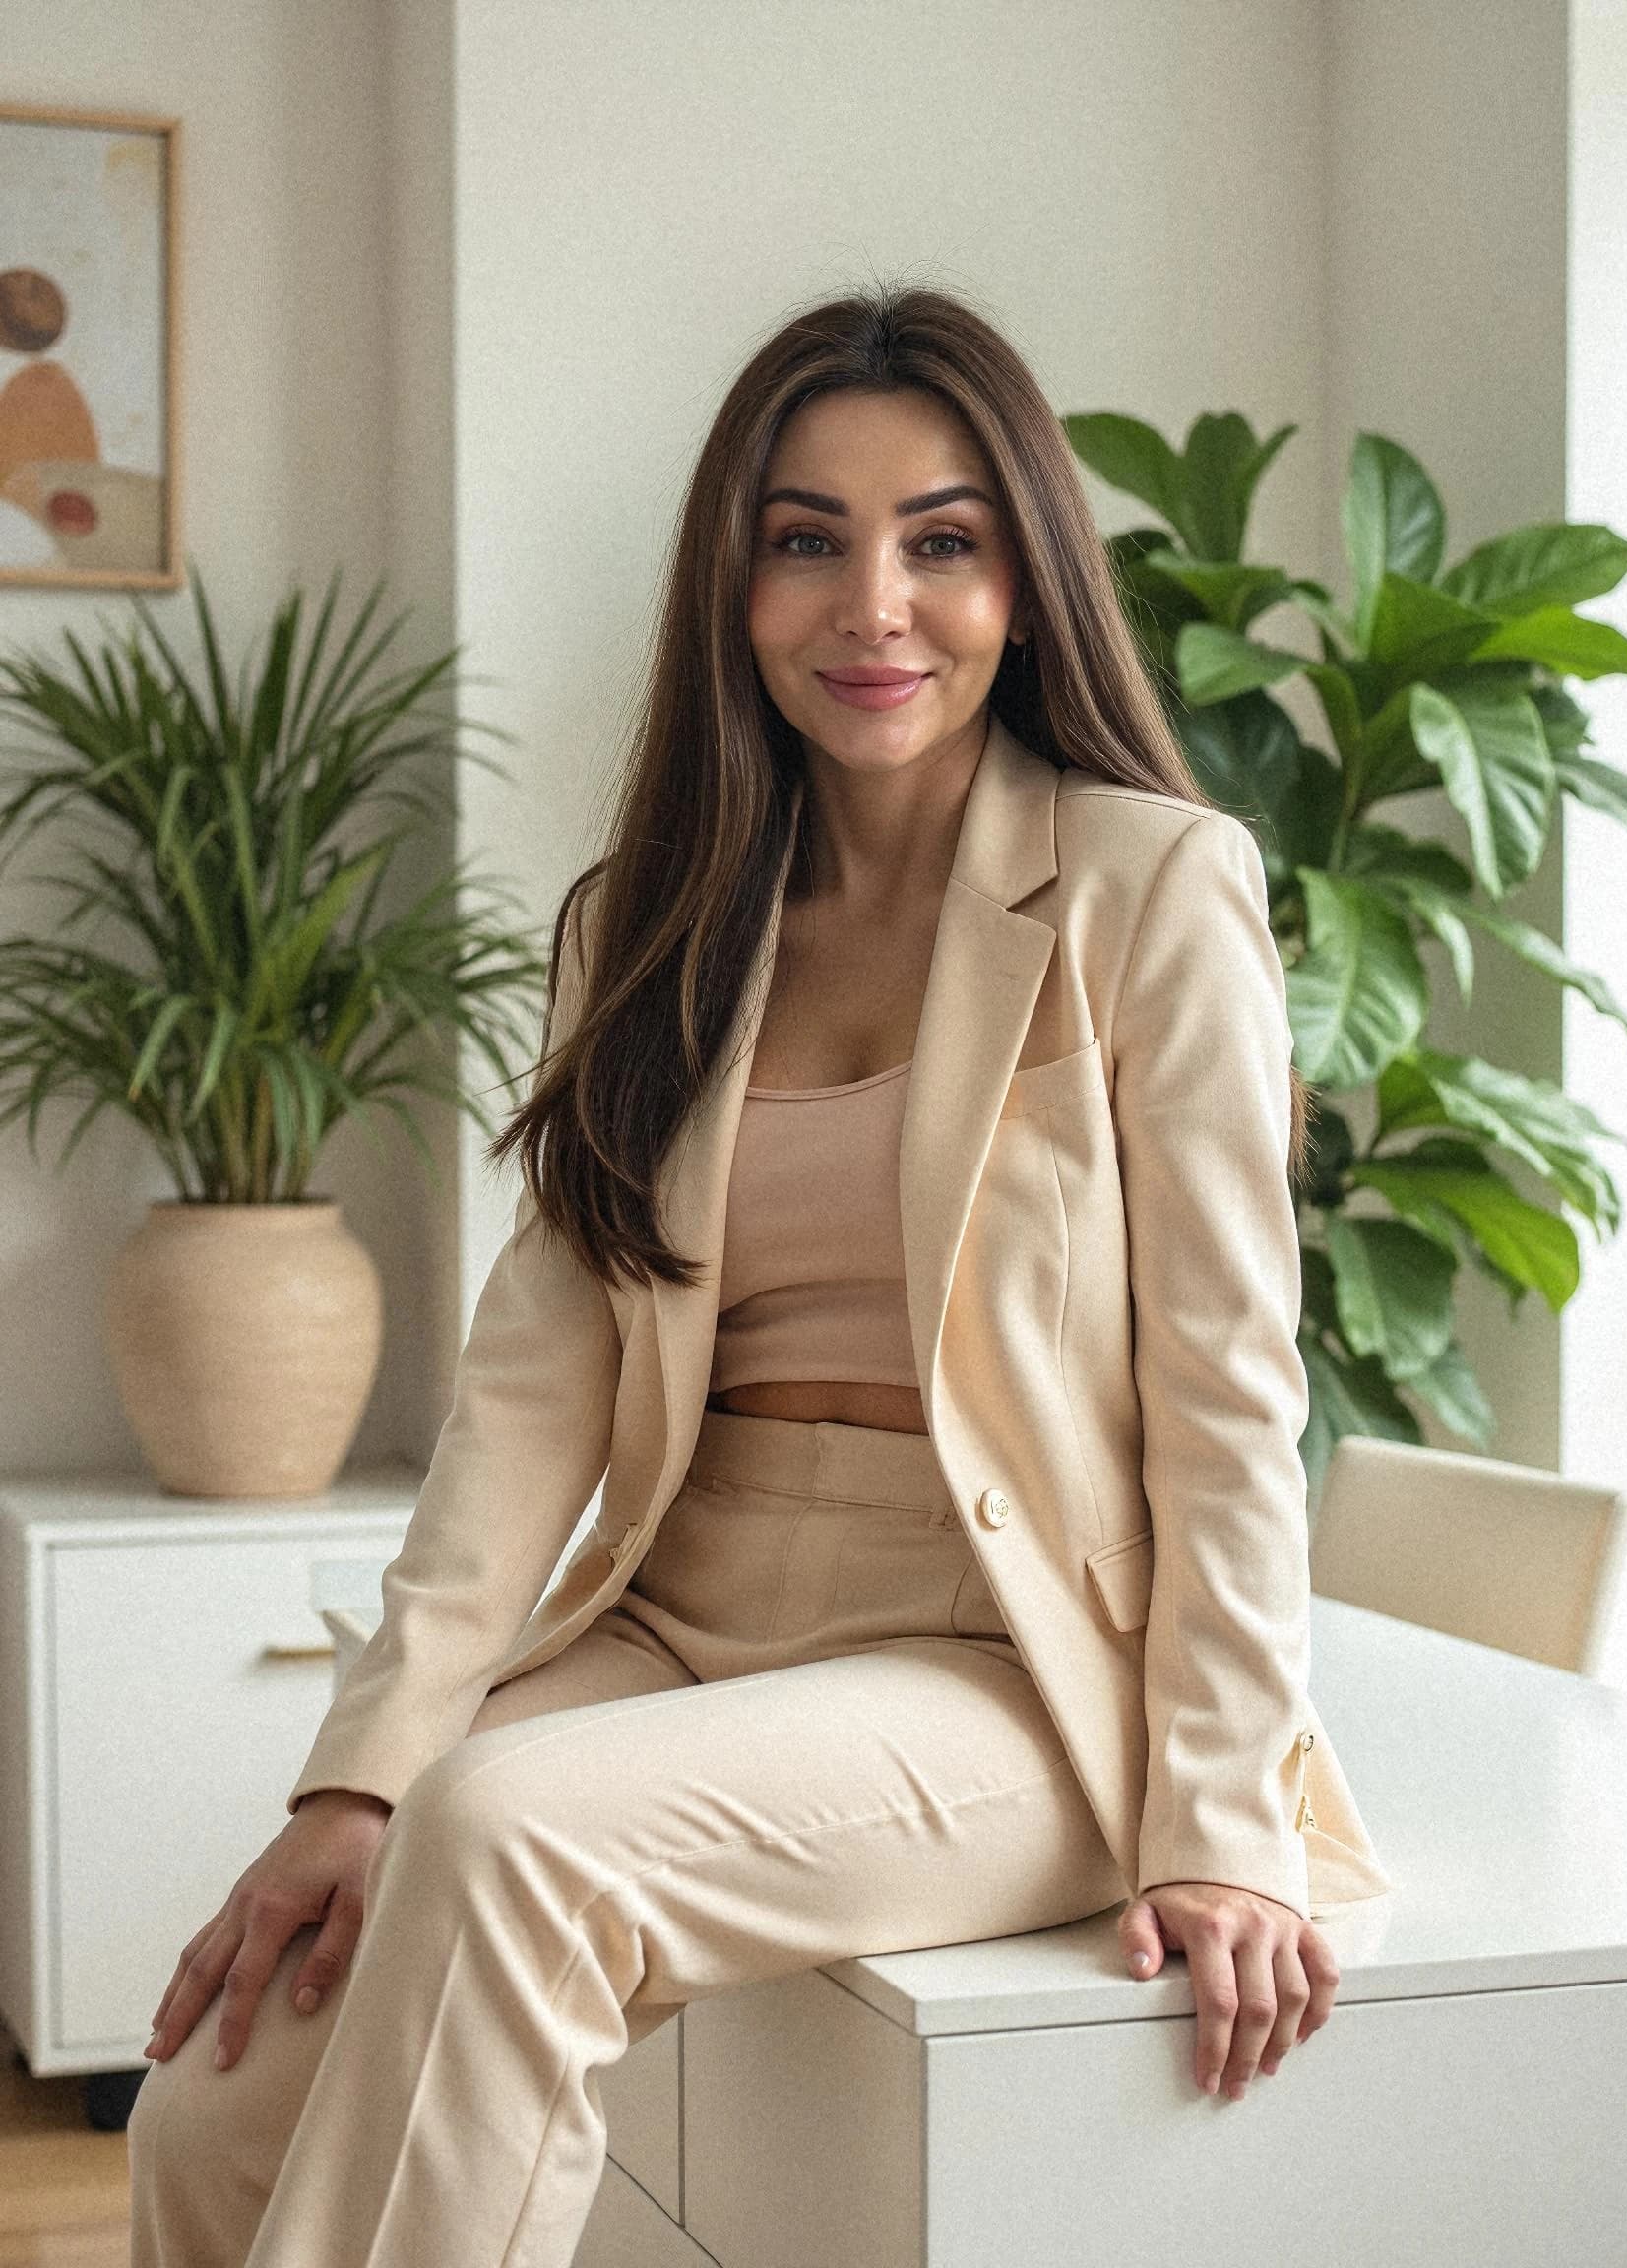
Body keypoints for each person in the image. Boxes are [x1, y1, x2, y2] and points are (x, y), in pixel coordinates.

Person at [128, 282, 1395, 2267]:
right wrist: (362, 1773)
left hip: (1011, 1657)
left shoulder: (1150, 885)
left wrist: (1220, 1823)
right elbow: (527, 1396)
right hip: (691, 1607)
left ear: (1022, 577)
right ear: (734, 583)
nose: (870, 606)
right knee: (218, 2098)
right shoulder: (642, 923)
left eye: (940, 542)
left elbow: (1228, 1393)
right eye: (806, 540)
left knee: (516, 1841)